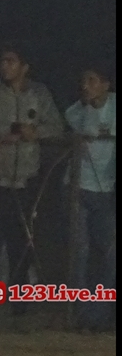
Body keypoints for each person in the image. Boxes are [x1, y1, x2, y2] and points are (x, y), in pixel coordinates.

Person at [0, 44, 63, 314]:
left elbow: (56, 126)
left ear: (24, 67)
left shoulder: (39, 93)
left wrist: (34, 132)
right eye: (2, 61)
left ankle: (19, 305)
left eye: (11, 61)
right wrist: (9, 132)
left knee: (20, 243)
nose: (4, 66)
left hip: (26, 177)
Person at [64, 63, 115, 332]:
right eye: (84, 80)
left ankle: (99, 313)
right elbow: (71, 118)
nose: (86, 86)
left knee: (110, 253)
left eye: (92, 80)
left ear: (106, 85)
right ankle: (81, 314)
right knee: (80, 253)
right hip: (77, 188)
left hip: (105, 190)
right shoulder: (77, 111)